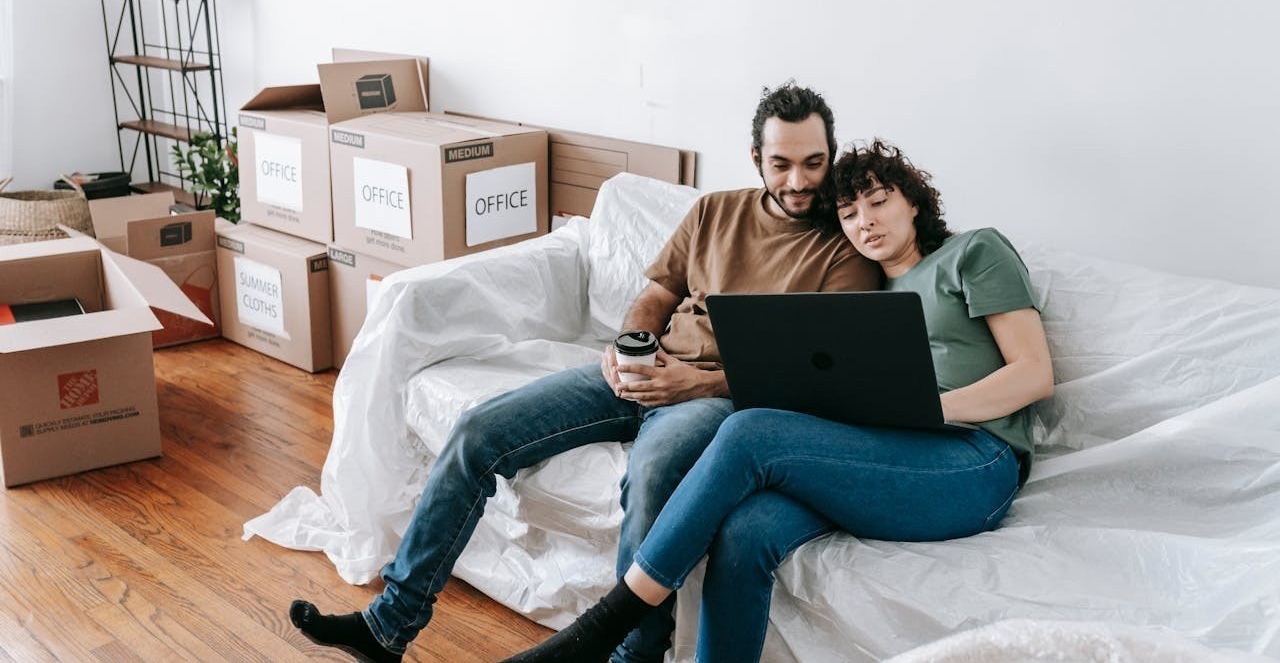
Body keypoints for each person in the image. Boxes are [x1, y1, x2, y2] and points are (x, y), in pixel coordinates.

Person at [289, 84, 880, 663]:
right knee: (478, 432)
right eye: (781, 164)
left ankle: (632, 656)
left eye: (813, 163)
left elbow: (815, 373)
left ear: (830, 155)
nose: (799, 182)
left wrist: (696, 384)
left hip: (719, 399)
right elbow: (657, 292)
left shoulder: (846, 248)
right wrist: (630, 345)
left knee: (650, 478)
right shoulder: (714, 212)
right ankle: (389, 623)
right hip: (645, 370)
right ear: (756, 158)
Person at [504, 139, 1054, 663]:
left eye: (879, 201)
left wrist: (930, 410)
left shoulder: (974, 251)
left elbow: (1033, 375)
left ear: (913, 201)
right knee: (747, 529)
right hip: (888, 450)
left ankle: (603, 627)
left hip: (974, 460)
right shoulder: (861, 297)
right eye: (848, 212)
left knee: (751, 431)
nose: (865, 220)